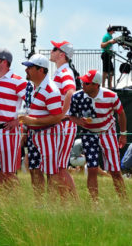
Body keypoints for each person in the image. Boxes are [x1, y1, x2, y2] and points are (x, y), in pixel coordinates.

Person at [69, 69, 127, 201]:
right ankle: (94, 203)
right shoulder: (77, 97)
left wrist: (123, 134)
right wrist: (79, 121)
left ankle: (124, 201)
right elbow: (71, 116)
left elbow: (121, 113)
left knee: (115, 170)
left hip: (108, 131)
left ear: (96, 85)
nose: (83, 85)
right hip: (88, 133)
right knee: (92, 168)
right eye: (83, 82)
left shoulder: (111, 96)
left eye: (86, 83)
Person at [19, 54, 63, 197]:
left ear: (40, 70)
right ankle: (39, 203)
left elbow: (57, 117)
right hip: (34, 134)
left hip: (48, 135)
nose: (26, 70)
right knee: (34, 169)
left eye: (29, 67)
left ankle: (51, 205)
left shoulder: (51, 90)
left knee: (51, 172)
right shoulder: (33, 87)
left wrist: (33, 122)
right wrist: (26, 131)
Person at [0, 48, 27, 185]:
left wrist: (19, 120)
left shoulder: (17, 81)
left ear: (4, 62)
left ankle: (14, 201)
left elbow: (32, 103)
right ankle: (3, 201)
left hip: (8, 131)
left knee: (9, 172)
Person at [50, 40, 79, 199]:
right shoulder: (61, 72)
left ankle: (75, 202)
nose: (51, 51)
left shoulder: (64, 72)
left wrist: (60, 114)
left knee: (60, 167)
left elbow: (70, 92)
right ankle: (66, 203)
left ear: (62, 54)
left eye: (54, 49)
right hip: (62, 123)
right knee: (58, 167)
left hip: (64, 124)